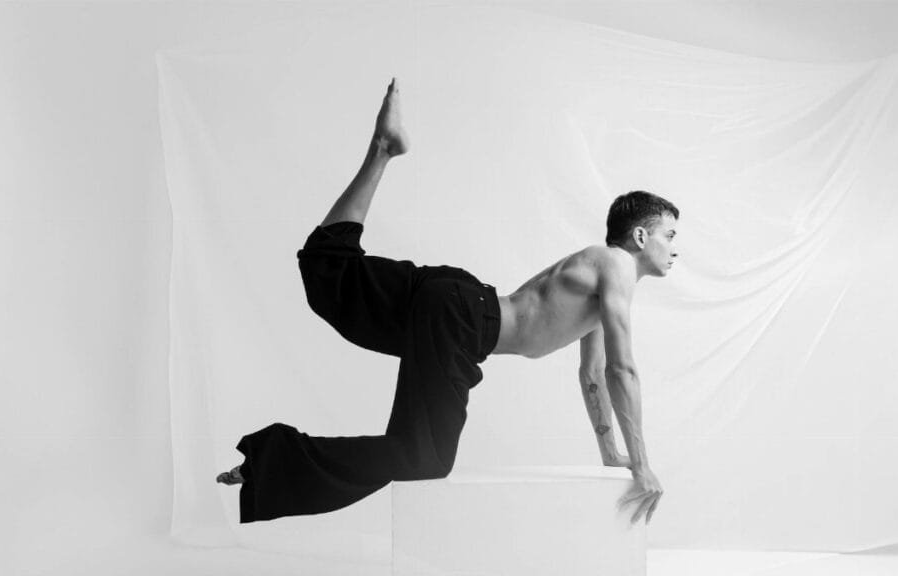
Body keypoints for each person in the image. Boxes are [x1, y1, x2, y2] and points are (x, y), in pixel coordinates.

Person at [217, 78, 678, 526]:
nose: (675, 248)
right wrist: (642, 465)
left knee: (329, 278)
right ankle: (270, 460)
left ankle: (382, 150)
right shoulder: (616, 265)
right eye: (669, 235)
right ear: (640, 236)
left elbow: (594, 374)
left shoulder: (601, 278)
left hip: (453, 304)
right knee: (426, 457)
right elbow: (623, 370)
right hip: (461, 318)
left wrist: (611, 454)